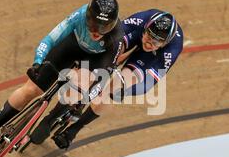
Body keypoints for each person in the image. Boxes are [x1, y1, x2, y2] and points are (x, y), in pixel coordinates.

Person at [0, 0, 124, 153]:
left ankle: (49, 120)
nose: (97, 31)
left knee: (78, 88)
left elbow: (104, 74)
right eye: (93, 24)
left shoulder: (117, 38)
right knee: (31, 89)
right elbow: (49, 40)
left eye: (104, 27)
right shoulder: (78, 16)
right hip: (72, 46)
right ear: (87, 16)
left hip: (96, 59)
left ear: (112, 25)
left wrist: (85, 96)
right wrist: (38, 62)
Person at [49, 9, 184, 149]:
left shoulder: (171, 51)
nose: (149, 44)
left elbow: (148, 84)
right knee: (110, 54)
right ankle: (78, 97)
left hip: (150, 59)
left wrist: (124, 90)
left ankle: (74, 130)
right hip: (135, 35)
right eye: (149, 37)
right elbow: (111, 39)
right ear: (146, 29)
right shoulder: (141, 21)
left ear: (164, 43)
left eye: (155, 42)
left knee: (116, 87)